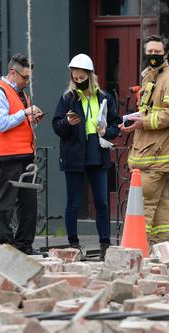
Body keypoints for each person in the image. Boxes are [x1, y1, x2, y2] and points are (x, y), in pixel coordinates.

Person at [52, 53, 121, 260]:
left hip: (97, 154)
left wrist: (106, 132)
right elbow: (56, 126)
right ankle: (74, 245)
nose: (78, 81)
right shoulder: (67, 99)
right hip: (74, 155)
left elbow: (115, 124)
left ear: (90, 76)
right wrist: (67, 123)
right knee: (72, 202)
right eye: (75, 78)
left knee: (101, 203)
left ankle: (105, 246)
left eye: (82, 78)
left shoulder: (104, 98)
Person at [119, 35, 169, 246]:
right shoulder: (151, 78)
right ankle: (164, 252)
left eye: (157, 53)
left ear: (165, 54)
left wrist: (143, 122)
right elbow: (148, 112)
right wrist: (134, 121)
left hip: (156, 155)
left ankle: (134, 251)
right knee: (160, 210)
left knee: (142, 206)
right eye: (150, 53)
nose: (153, 56)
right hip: (150, 154)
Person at [0, 53, 44, 255]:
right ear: (12, 73)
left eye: (29, 78)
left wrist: (31, 119)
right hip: (8, 156)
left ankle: (24, 245)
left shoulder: (20, 93)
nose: (27, 81)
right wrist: (25, 113)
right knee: (5, 204)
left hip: (25, 155)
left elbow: (17, 120)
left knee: (28, 205)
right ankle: (4, 248)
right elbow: (1, 123)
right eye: (24, 77)